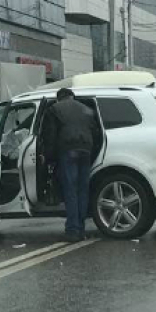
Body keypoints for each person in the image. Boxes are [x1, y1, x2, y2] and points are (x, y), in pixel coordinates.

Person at [41, 88, 102, 242]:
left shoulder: (54, 109)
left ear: (58, 98)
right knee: (83, 190)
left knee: (70, 190)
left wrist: (49, 158)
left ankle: (73, 230)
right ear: (72, 97)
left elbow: (50, 135)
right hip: (86, 151)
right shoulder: (87, 110)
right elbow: (96, 133)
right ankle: (80, 228)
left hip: (67, 150)